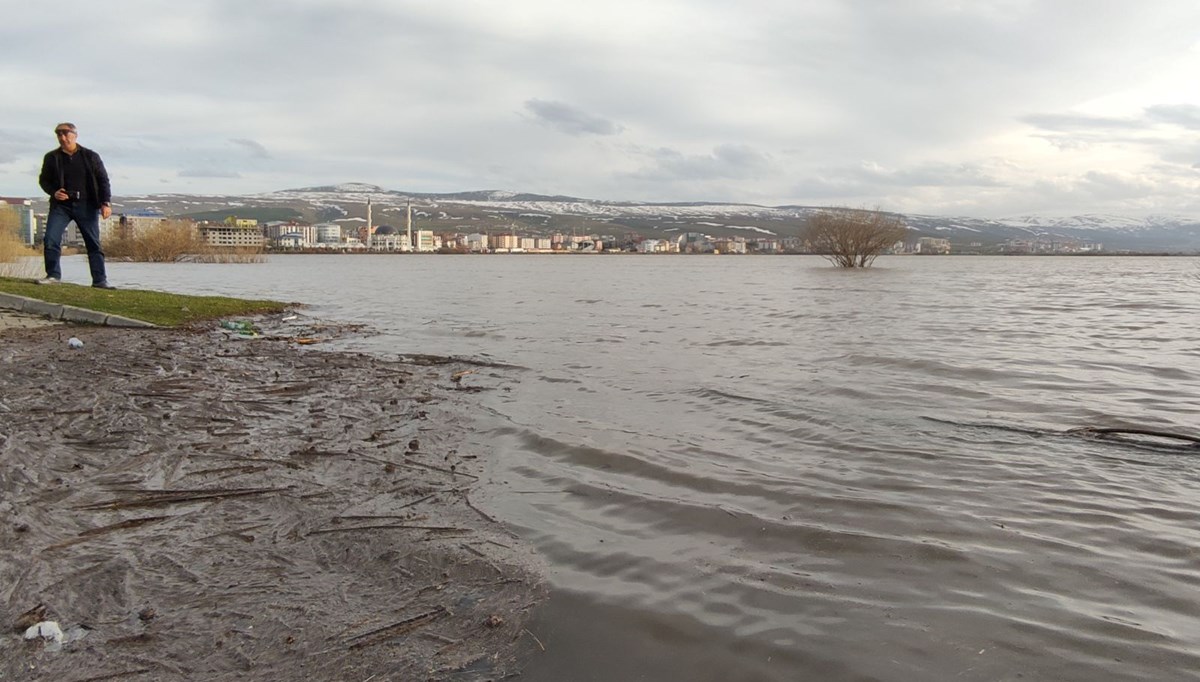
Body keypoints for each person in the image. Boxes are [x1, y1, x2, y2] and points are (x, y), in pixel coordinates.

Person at [37, 122, 115, 289]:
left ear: (75, 135)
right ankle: (53, 275)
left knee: (93, 243)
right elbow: (43, 180)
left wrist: (105, 202)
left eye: (66, 134)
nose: (62, 137)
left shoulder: (90, 156)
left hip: (87, 205)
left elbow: (103, 180)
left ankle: (100, 280)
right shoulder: (51, 157)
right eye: (59, 134)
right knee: (51, 239)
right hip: (61, 206)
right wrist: (54, 192)